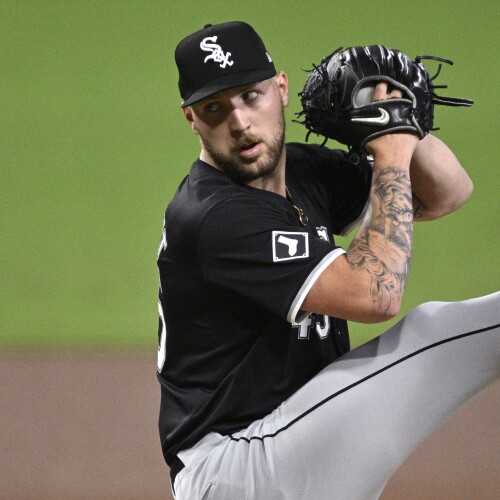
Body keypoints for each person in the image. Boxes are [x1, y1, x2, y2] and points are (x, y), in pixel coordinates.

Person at [157, 21, 499, 500]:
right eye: (215, 108)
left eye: (251, 97)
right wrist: (391, 152)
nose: (239, 123)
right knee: (440, 330)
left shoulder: (302, 171)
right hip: (241, 465)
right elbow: (377, 295)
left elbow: (447, 193)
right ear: (191, 118)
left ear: (280, 90)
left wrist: (403, 123)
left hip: (295, 445)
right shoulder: (213, 215)